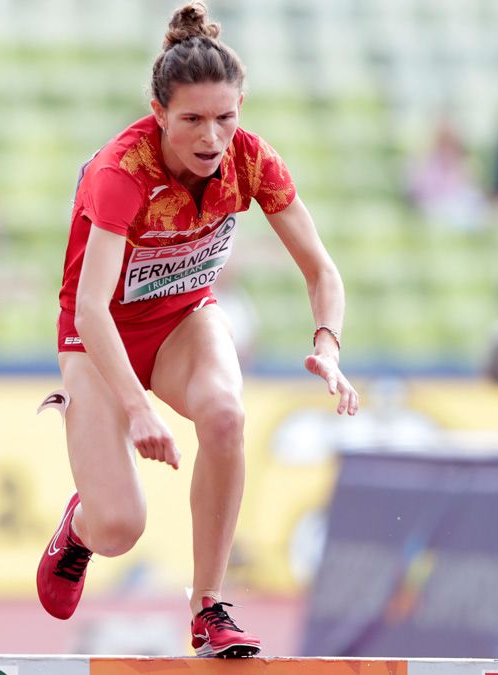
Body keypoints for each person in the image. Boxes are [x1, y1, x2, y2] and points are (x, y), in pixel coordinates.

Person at [35, 2, 359, 658]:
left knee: (224, 415)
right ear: (158, 114)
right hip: (99, 341)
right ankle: (80, 526)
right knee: (121, 526)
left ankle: (209, 605)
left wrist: (328, 344)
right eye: (192, 120)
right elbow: (92, 307)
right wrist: (137, 410)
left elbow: (322, 270)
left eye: (225, 118)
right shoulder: (121, 172)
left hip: (185, 319)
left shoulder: (253, 161)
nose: (212, 138)